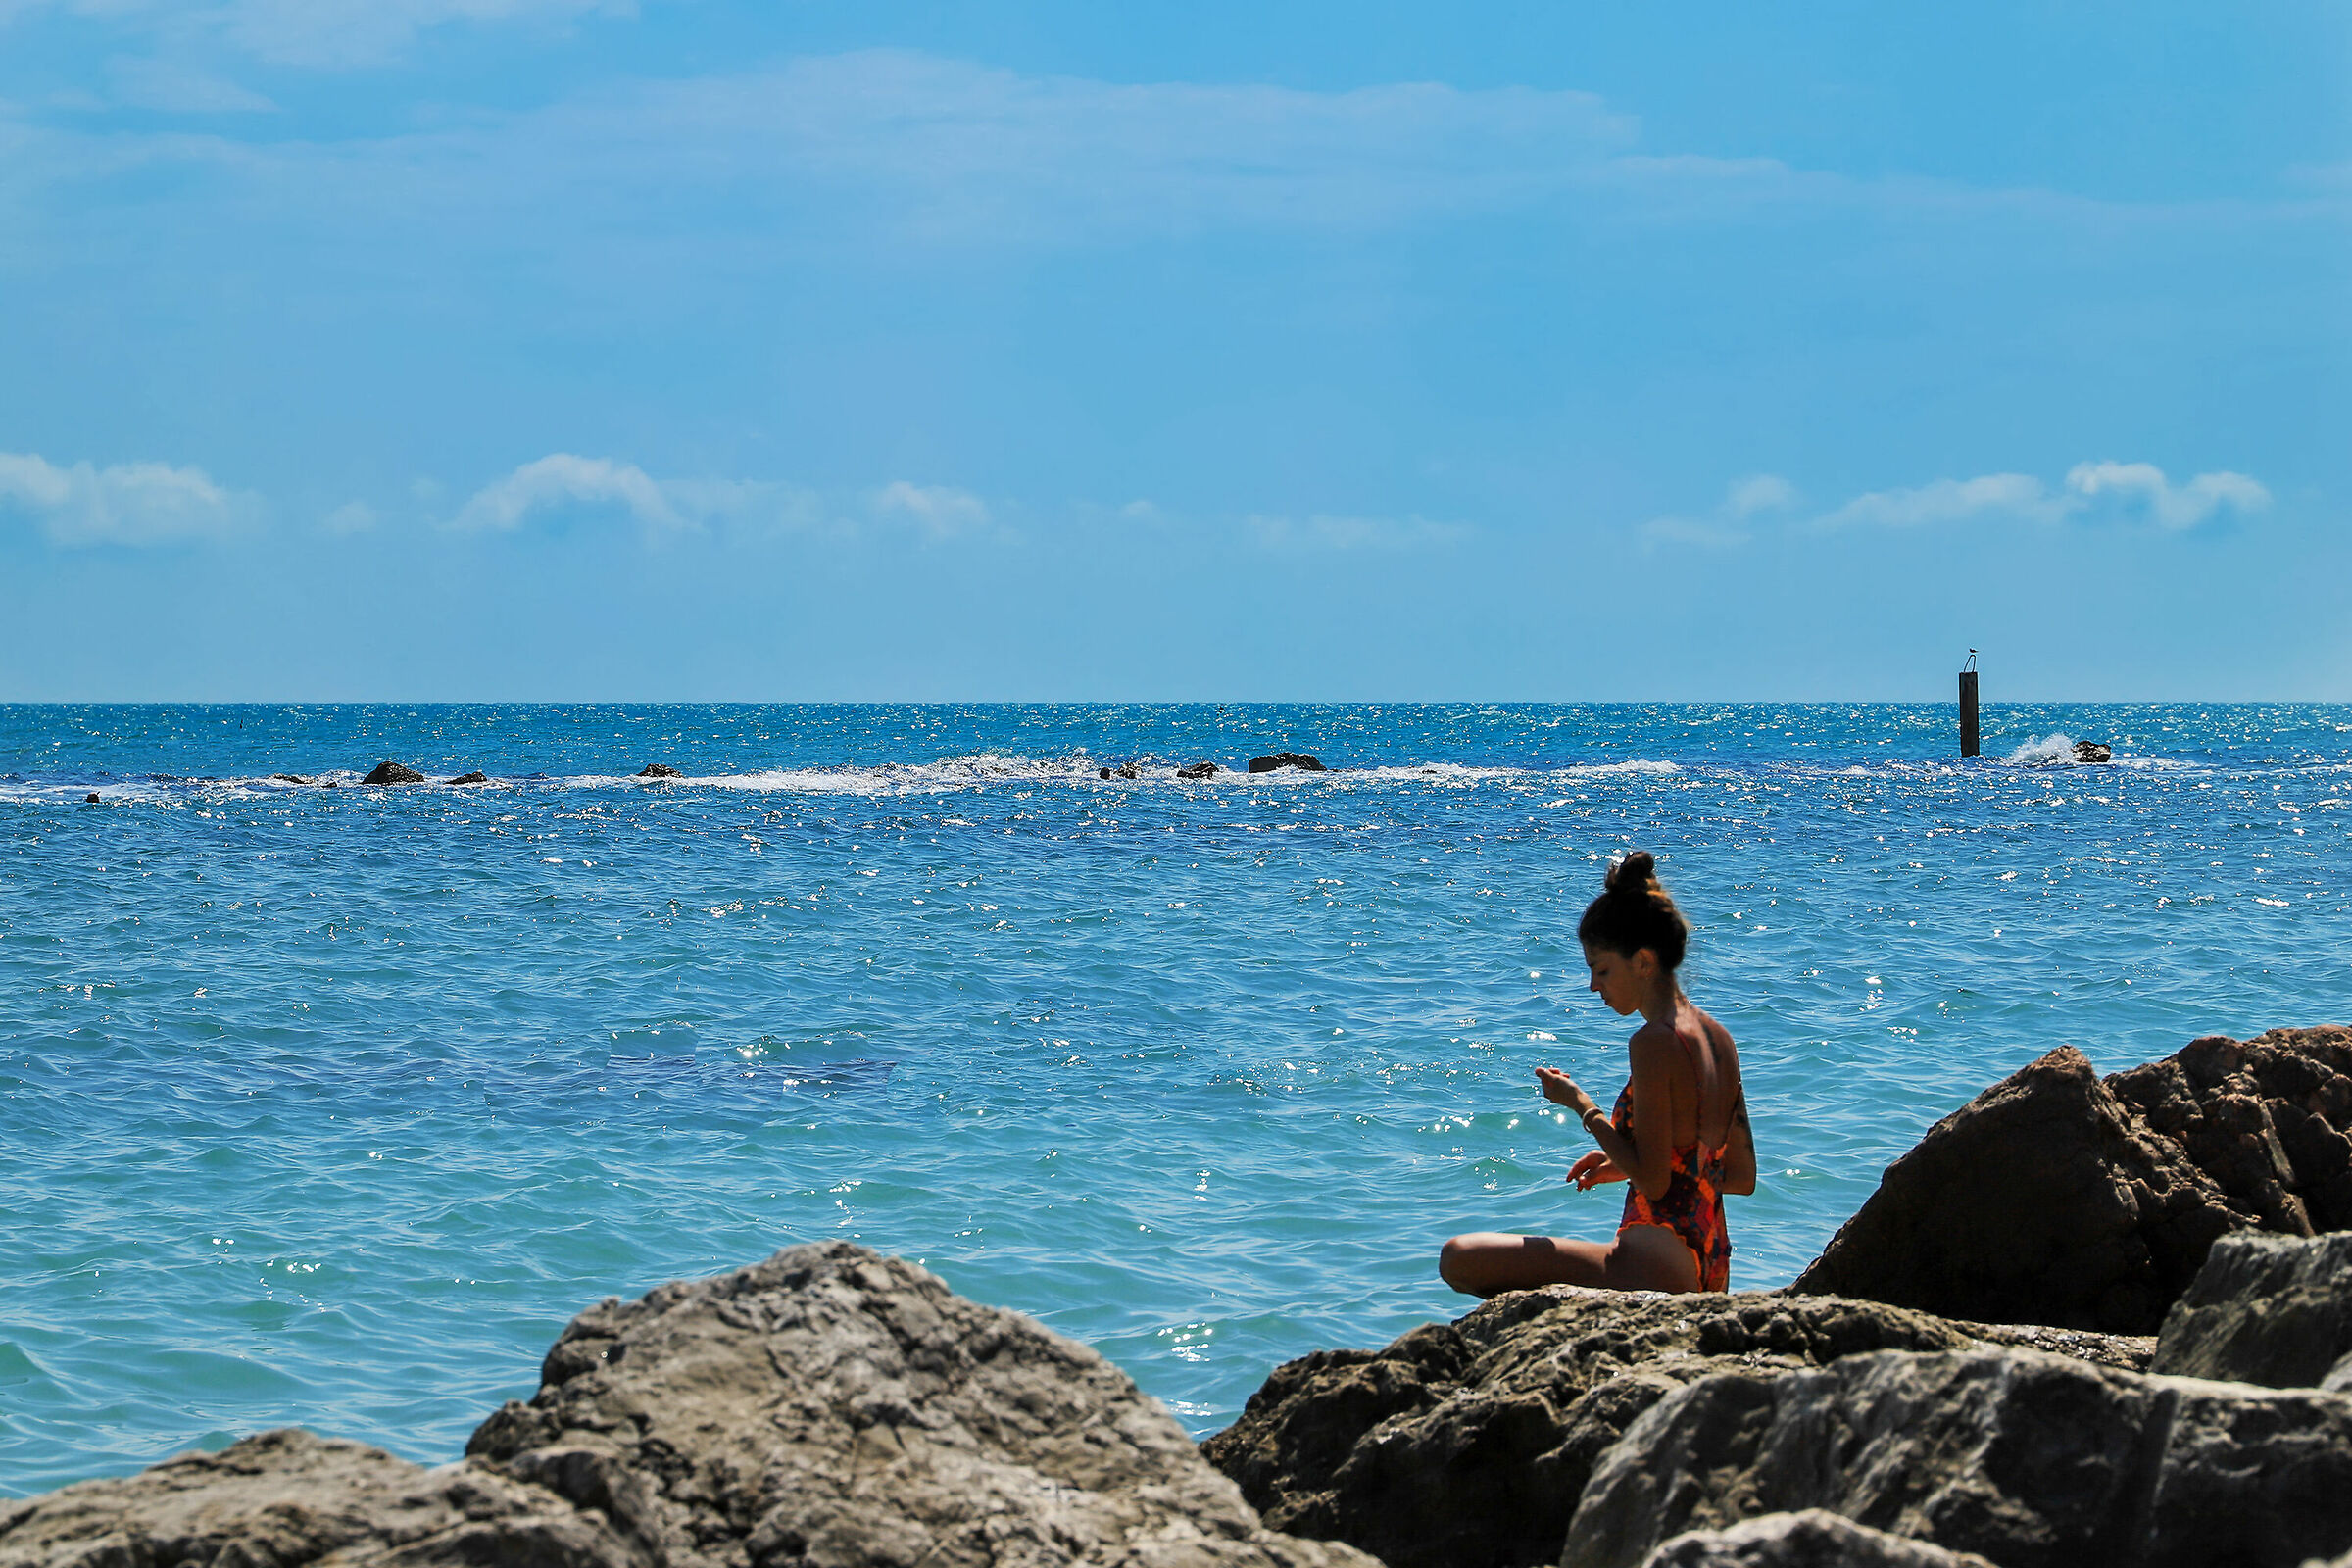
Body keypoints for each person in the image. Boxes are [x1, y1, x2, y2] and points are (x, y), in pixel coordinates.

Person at [1439, 852, 1756, 1296]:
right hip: (1709, 1262)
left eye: (1601, 968)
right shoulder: (1719, 1039)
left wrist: (1582, 1106)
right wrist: (1617, 1165)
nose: (1593, 986)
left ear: (1643, 962)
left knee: (1459, 1256)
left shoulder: (1652, 1042)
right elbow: (1738, 1176)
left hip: (1655, 1262)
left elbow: (1653, 1181)